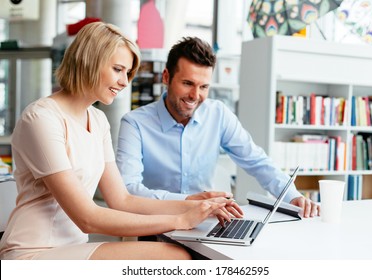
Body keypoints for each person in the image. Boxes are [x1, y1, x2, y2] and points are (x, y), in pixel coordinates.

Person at [0, 23, 242, 260]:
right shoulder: (41, 118)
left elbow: (122, 200)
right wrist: (180, 219)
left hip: (73, 247)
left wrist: (195, 206)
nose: (126, 82)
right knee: (174, 257)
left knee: (176, 255)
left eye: (128, 73)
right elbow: (86, 218)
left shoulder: (97, 120)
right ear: (89, 60)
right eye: (118, 69)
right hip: (32, 251)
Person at [117, 36, 320, 218]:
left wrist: (292, 196)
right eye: (187, 83)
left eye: (203, 87)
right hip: (154, 221)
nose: (195, 96)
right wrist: (188, 202)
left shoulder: (218, 114)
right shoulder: (135, 123)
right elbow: (128, 189)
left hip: (204, 220)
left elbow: (257, 161)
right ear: (166, 77)